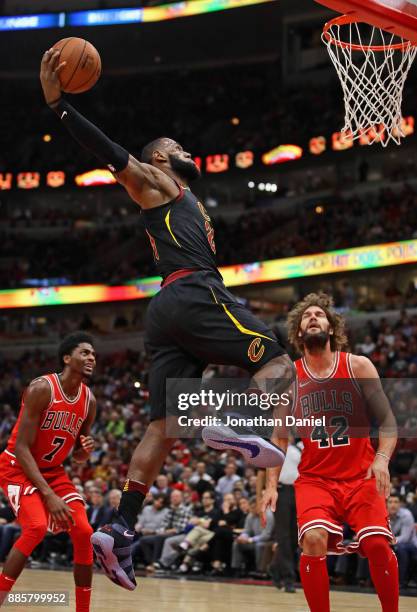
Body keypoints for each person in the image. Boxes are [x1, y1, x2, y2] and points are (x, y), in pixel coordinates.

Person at [40, 48, 294, 590]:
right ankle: (233, 426)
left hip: (165, 312)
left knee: (161, 425)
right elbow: (109, 152)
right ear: (158, 159)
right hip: (195, 290)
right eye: (175, 147)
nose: (184, 150)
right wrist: (60, 105)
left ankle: (119, 527)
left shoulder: (182, 196)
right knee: (278, 362)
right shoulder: (157, 183)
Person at [261, 293, 399, 612]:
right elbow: (279, 438)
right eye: (307, 316)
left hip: (361, 475)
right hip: (316, 479)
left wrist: (381, 460)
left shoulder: (358, 366)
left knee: (377, 544)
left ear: (332, 328)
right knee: (313, 539)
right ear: (298, 333)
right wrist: (270, 485)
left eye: (319, 315)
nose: (313, 318)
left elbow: (389, 422)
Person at [0, 332, 97, 612]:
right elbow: (20, 448)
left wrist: (83, 453)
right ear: (67, 358)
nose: (91, 357)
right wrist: (49, 496)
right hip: (17, 467)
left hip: (52, 470)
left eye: (93, 354)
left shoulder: (89, 401)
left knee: (83, 531)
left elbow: (77, 455)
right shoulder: (42, 388)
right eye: (85, 353)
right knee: (36, 527)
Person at [388, 494, 417, 590]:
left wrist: (391, 541)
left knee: (401, 548)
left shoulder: (406, 515)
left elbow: (405, 537)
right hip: (393, 542)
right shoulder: (383, 514)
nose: (393, 505)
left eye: (396, 502)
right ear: (386, 504)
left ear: (400, 504)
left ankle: (401, 581)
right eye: (390, 502)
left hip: (411, 544)